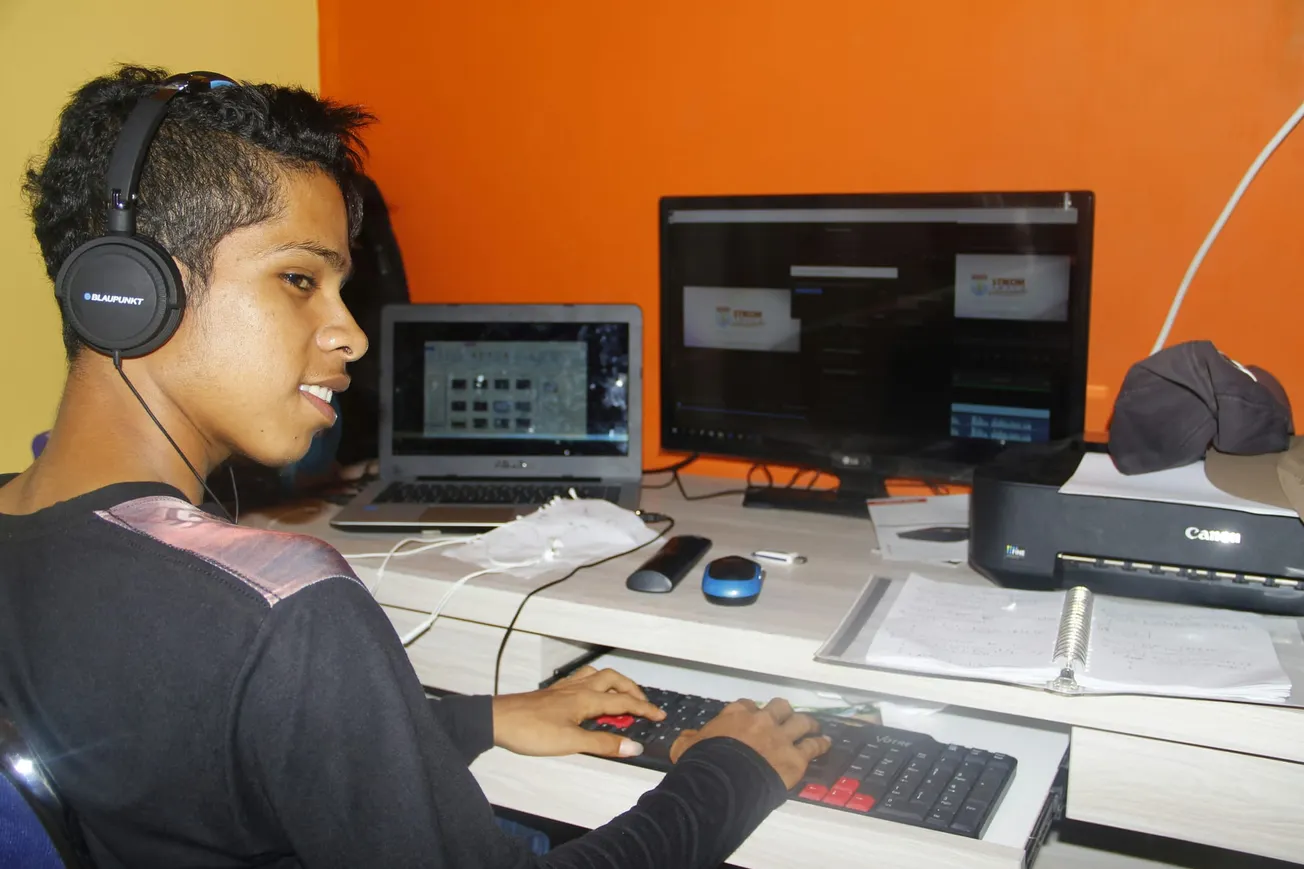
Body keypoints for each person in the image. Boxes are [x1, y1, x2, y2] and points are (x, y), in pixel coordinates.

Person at [0, 66, 829, 869]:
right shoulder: (285, 604)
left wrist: (474, 719)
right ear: (130, 290)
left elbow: (194, 761)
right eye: (299, 279)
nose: (353, 335)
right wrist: (729, 774)